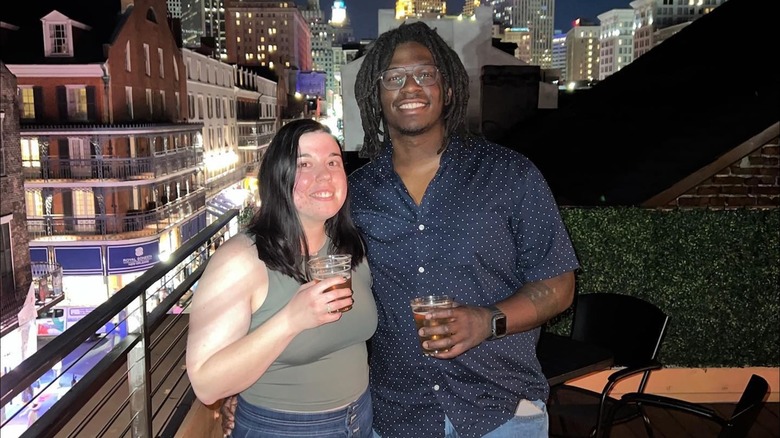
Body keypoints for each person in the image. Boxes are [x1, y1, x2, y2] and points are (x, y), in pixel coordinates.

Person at [348, 21, 580, 438]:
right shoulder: (356, 195)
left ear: (449, 88)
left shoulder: (510, 174)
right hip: (398, 414)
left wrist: (486, 321)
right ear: (376, 96)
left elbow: (559, 284)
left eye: (425, 73)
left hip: (501, 410)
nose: (410, 87)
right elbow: (306, 282)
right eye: (394, 78)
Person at [186, 119, 377, 437]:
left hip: (360, 417)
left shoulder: (348, 246)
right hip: (283, 427)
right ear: (278, 176)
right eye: (304, 163)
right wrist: (292, 319)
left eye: (333, 161)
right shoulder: (241, 259)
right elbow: (206, 384)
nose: (324, 175)